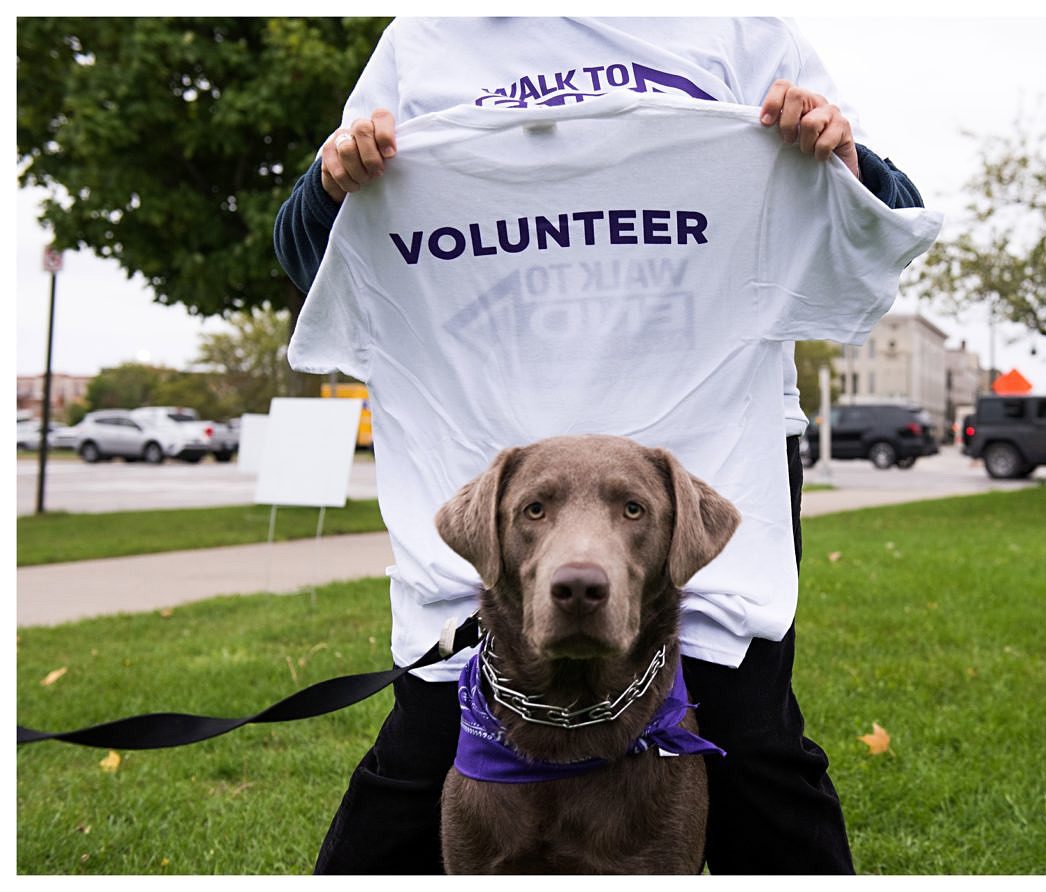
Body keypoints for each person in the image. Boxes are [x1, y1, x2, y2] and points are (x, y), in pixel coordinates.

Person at [271, 17, 931, 875]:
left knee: (752, 747)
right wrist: (331, 183)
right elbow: (306, 256)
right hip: (499, 479)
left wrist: (843, 161)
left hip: (702, 462)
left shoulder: (739, 28)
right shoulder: (429, 39)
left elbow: (887, 226)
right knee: (431, 737)